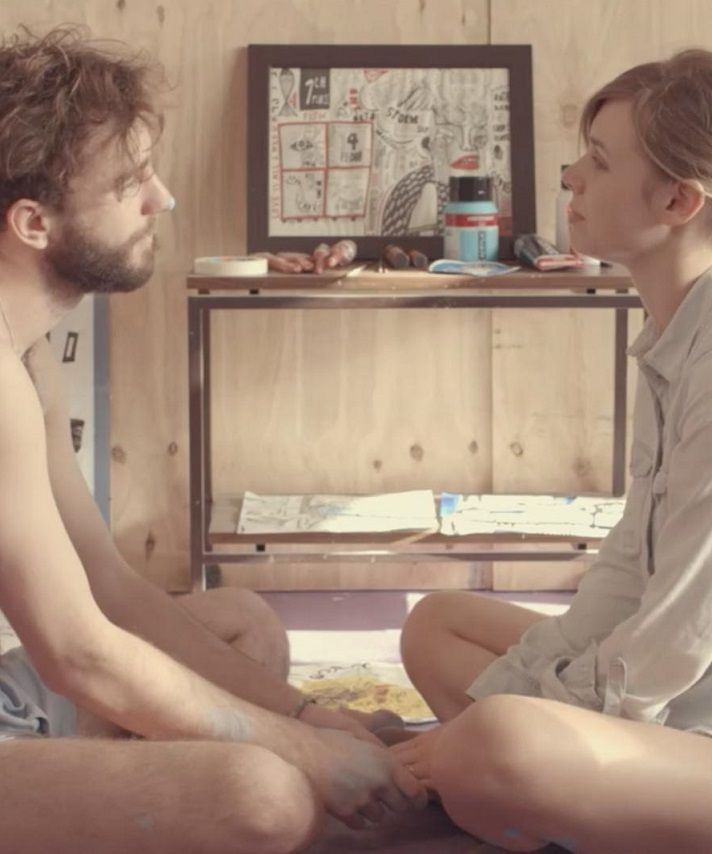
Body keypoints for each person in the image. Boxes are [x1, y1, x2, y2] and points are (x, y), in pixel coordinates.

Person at [0, 25, 425, 853]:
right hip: (43, 685)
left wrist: (309, 716)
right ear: (32, 222)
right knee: (261, 793)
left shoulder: (30, 355)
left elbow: (106, 588)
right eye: (130, 183)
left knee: (242, 623)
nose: (161, 199)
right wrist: (303, 753)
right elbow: (76, 654)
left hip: (21, 697)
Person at [394, 49, 712, 853]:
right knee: (438, 624)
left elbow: (685, 624)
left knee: (501, 742)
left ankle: (530, 792)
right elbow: (630, 571)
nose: (570, 177)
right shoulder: (675, 331)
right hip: (673, 695)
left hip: (694, 707)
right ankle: (544, 797)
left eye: (599, 162)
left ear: (678, 200)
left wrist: (536, 714)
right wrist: (539, 687)